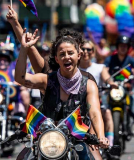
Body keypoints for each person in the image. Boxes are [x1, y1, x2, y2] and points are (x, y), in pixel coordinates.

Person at [15, 30, 109, 159]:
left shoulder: (89, 84)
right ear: (57, 59)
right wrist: (24, 48)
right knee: (21, 158)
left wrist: (101, 136)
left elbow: (95, 113)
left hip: (78, 139)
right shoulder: (46, 80)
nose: (66, 57)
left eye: (70, 53)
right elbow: (20, 78)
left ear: (79, 55)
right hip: (47, 140)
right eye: (62, 54)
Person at [79, 40, 114, 149]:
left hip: (96, 102)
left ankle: (109, 144)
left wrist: (112, 84)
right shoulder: (73, 69)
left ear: (93, 52)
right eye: (83, 49)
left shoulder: (100, 67)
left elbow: (107, 78)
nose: (85, 52)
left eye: (88, 49)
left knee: (107, 113)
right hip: (78, 104)